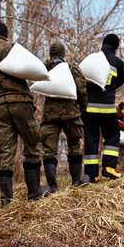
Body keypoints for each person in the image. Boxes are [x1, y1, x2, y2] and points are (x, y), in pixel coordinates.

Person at [0, 22, 49, 208]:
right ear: (6, 35)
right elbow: (34, 68)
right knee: (32, 144)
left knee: (5, 152)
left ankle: (6, 202)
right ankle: (34, 194)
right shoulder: (13, 49)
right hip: (20, 103)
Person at [40, 41, 90, 192]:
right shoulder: (72, 68)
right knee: (74, 146)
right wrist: (83, 110)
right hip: (71, 115)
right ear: (63, 54)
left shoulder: (45, 68)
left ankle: (52, 186)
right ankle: (76, 181)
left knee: (49, 151)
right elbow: (82, 91)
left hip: (50, 116)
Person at [82, 33, 124, 183]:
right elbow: (120, 81)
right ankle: (109, 168)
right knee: (112, 135)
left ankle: (91, 175)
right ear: (116, 47)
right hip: (108, 108)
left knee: (91, 140)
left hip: (90, 109)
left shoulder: (92, 60)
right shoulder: (117, 62)